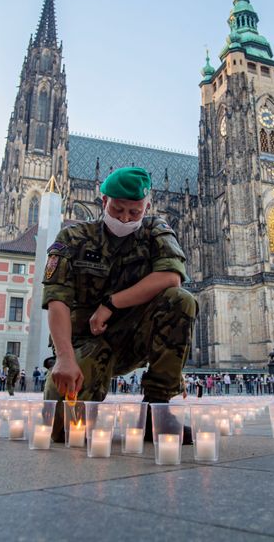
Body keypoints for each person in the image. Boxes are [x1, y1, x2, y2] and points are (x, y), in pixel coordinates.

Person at [42, 167, 196, 442]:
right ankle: (77, 403)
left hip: (134, 339)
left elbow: (172, 277)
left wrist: (111, 304)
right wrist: (64, 358)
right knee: (64, 429)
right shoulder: (73, 237)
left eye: (134, 212)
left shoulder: (155, 231)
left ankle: (156, 412)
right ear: (103, 202)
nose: (125, 218)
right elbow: (57, 301)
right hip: (86, 342)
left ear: (147, 206)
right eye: (118, 210)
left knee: (181, 301)